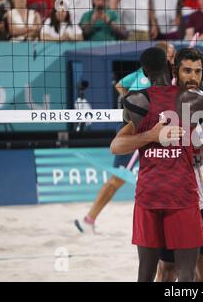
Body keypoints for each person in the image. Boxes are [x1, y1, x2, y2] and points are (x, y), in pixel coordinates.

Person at [111, 47, 203, 282]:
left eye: (198, 71)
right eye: (187, 70)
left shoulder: (202, 103)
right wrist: (153, 135)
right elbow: (117, 144)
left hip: (199, 199)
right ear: (174, 69)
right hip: (173, 196)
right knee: (167, 271)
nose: (193, 76)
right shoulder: (159, 102)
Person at [74, 42, 176, 234]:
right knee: (117, 179)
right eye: (171, 55)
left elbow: (121, 85)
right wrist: (134, 104)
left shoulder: (150, 74)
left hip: (150, 128)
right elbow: (127, 92)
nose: (174, 58)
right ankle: (89, 219)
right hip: (135, 129)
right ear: (162, 58)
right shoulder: (148, 80)